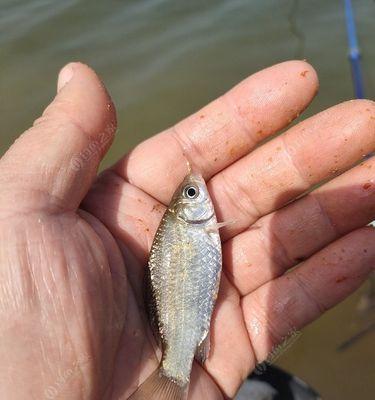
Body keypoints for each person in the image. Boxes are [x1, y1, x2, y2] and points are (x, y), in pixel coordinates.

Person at [0, 61, 373, 400]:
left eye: (191, 192)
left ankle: (176, 372)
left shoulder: (190, 227)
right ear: (187, 209)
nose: (198, 192)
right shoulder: (190, 226)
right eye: (193, 194)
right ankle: (175, 374)